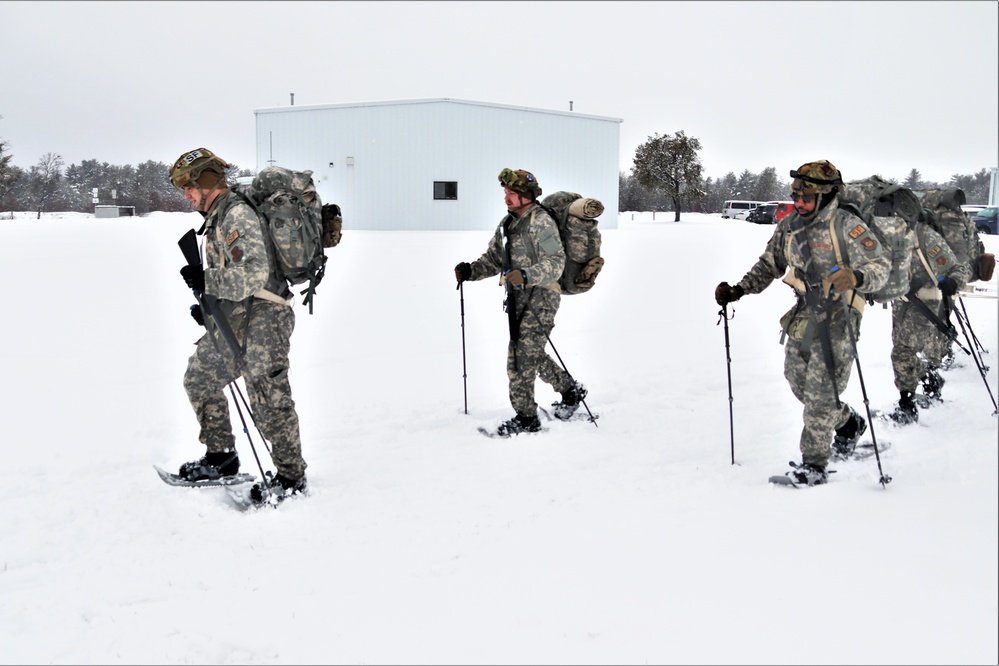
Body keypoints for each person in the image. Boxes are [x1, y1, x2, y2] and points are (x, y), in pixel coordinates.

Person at [714, 160, 892, 485]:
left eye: (806, 199)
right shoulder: (790, 226)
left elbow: (881, 263)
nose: (799, 204)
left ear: (824, 196)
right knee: (797, 380)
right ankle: (848, 423)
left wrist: (858, 275)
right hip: (805, 312)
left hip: (840, 315)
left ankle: (814, 465)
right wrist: (739, 290)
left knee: (821, 394)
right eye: (795, 197)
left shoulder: (847, 226)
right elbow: (770, 264)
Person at [169, 147, 307, 503]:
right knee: (199, 379)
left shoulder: (238, 215)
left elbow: (252, 276)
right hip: (236, 316)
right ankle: (222, 456)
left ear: (207, 181)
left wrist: (208, 279)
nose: (186, 194)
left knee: (268, 397)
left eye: (188, 186)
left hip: (265, 317)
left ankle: (291, 477)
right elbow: (235, 279)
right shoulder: (217, 216)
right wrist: (210, 307)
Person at [454, 168, 587, 436]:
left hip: (542, 297)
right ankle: (570, 390)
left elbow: (555, 263)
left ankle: (527, 418)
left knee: (519, 359)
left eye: (512, 193)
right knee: (531, 354)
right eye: (505, 192)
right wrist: (471, 271)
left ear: (526, 196)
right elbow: (494, 259)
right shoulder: (508, 223)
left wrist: (526, 274)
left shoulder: (542, 222)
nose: (507, 197)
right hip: (517, 296)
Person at [886, 209, 974, 423]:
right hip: (902, 301)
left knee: (901, 352)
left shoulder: (925, 236)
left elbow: (955, 268)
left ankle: (906, 405)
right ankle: (929, 377)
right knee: (902, 350)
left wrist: (952, 281)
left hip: (926, 301)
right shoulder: (889, 234)